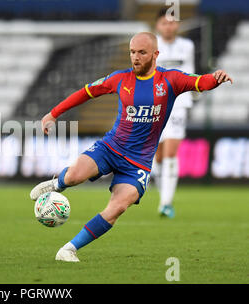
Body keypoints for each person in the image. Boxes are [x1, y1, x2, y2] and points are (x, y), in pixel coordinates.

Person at [29, 32, 232, 262]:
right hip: (111, 147)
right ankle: (57, 184)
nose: (135, 57)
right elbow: (86, 92)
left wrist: (216, 78)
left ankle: (69, 249)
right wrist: (53, 114)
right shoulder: (120, 79)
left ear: (156, 54)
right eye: (132, 52)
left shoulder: (170, 80)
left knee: (118, 208)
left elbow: (200, 82)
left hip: (138, 162)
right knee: (75, 176)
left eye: (142, 53)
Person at [152, 8, 196, 218]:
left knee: (170, 153)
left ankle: (166, 203)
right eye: (164, 23)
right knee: (158, 157)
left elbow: (188, 75)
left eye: (172, 22)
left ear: (177, 25)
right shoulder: (152, 47)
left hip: (178, 104)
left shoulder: (187, 46)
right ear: (157, 26)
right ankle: (164, 196)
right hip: (155, 105)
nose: (169, 26)